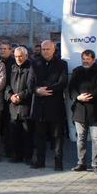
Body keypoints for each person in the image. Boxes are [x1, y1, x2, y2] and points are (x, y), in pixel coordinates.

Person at [29, 40, 68, 170]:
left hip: (55, 105)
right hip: (39, 106)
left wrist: (47, 89)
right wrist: (37, 91)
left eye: (48, 49)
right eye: (43, 49)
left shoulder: (62, 64)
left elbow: (63, 82)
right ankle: (40, 161)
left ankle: (58, 162)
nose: (45, 51)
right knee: (39, 136)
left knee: (57, 136)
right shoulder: (34, 63)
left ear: (53, 49)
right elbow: (30, 84)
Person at [67, 49, 97, 173]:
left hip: (95, 110)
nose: (85, 61)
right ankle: (81, 163)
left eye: (88, 59)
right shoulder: (77, 71)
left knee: (96, 139)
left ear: (93, 59)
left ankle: (96, 165)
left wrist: (89, 96)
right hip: (79, 110)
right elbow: (71, 88)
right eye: (83, 59)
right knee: (81, 138)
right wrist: (77, 97)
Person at [4, 46, 33, 163]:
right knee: (14, 132)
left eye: (20, 56)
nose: (18, 58)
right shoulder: (11, 67)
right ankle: (16, 155)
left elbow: (31, 86)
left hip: (26, 105)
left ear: (26, 56)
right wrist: (10, 96)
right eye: (16, 56)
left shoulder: (31, 67)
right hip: (13, 105)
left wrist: (20, 96)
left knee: (27, 133)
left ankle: (28, 156)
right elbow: (6, 85)